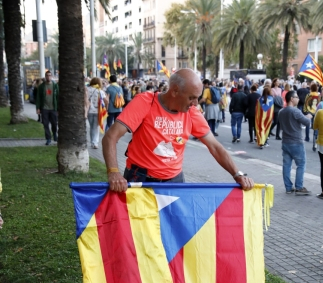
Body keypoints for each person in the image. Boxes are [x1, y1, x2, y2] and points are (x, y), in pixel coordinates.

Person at [102, 69, 254, 192]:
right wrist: (113, 172)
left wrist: (237, 174)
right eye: (191, 98)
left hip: (174, 182)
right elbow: (110, 137)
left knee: (172, 229)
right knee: (139, 229)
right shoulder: (145, 102)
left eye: (197, 98)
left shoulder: (191, 112)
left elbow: (214, 146)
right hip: (140, 179)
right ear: (174, 91)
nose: (195, 103)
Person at [278, 90, 312, 195]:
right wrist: (309, 117)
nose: (298, 99)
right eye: (296, 97)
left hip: (285, 141)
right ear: (291, 99)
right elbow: (306, 123)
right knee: (301, 164)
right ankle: (299, 187)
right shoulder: (295, 111)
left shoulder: (281, 111)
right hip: (296, 141)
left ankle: (288, 187)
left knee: (287, 165)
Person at [36, 70, 59, 145]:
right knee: (45, 124)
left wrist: (58, 108)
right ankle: (48, 138)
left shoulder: (55, 86)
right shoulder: (41, 87)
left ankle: (55, 134)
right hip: (44, 108)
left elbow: (58, 97)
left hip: (53, 108)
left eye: (50, 75)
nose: (48, 77)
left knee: (54, 123)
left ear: (51, 76)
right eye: (47, 75)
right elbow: (38, 98)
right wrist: (38, 108)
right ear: (45, 77)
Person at [85, 77, 109, 149]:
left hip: (89, 111)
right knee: (96, 128)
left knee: (91, 127)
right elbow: (106, 101)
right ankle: (95, 143)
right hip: (97, 111)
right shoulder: (100, 91)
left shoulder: (87, 89)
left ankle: (92, 141)